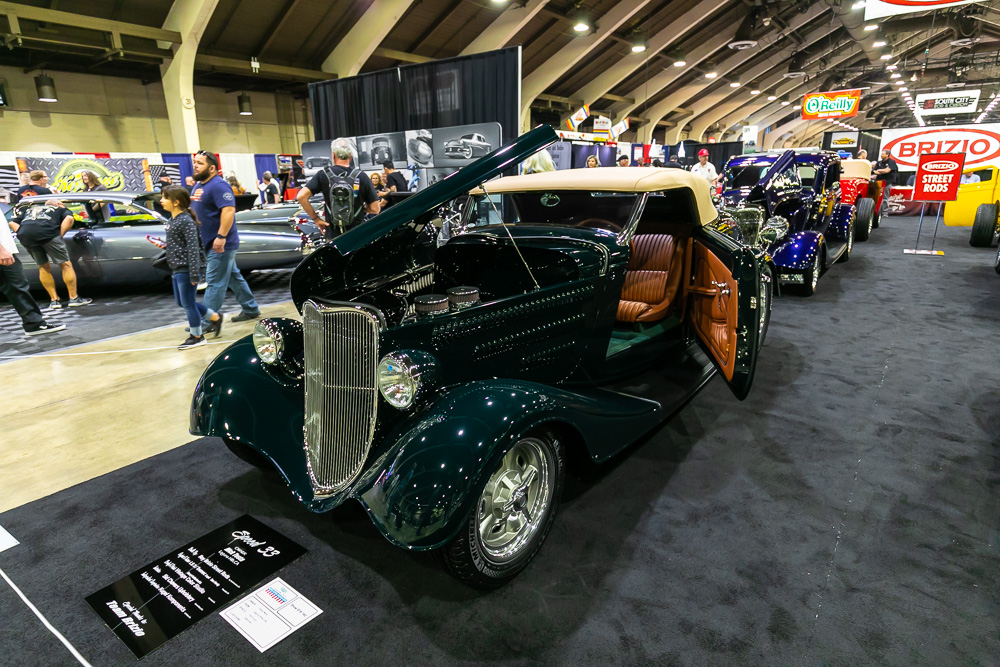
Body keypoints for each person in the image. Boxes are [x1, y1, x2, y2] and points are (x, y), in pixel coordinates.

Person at [190, 149, 260, 323]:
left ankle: (208, 321)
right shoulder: (199, 185)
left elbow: (228, 211)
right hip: (208, 242)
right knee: (233, 276)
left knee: (215, 282)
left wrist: (221, 237)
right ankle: (250, 308)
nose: (195, 166)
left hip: (220, 243)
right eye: (195, 163)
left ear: (212, 168)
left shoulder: (219, 185)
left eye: (200, 163)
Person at [159, 185, 222, 349]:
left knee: (188, 303)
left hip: (186, 268)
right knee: (183, 302)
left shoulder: (186, 221)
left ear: (176, 202)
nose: (161, 201)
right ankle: (214, 317)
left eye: (165, 197)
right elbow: (180, 244)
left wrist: (195, 274)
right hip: (177, 267)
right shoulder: (173, 220)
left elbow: (194, 249)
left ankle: (197, 336)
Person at [7, 200, 92, 309]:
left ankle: (54, 300)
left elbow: (11, 223)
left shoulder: (30, 210)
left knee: (43, 267)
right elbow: (70, 219)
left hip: (27, 237)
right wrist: (59, 235)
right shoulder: (61, 209)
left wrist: (23, 233)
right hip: (49, 235)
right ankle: (74, 298)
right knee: (65, 265)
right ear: (57, 204)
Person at [0, 207, 65, 335]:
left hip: (6, 251)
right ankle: (34, 323)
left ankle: (34, 323)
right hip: (3, 252)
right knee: (17, 286)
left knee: (17, 287)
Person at [297, 138, 379, 238]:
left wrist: (316, 219)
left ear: (333, 155)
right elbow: (375, 209)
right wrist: (362, 210)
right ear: (350, 156)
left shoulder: (323, 175)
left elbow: (301, 196)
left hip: (333, 234)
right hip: (357, 234)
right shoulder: (361, 176)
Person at [873, 149, 898, 216]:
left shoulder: (891, 162)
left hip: (887, 182)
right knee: (877, 197)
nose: (881, 155)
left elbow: (887, 171)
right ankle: (877, 212)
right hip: (878, 182)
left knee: (885, 198)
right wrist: (882, 171)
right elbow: (874, 171)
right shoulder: (879, 162)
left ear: (887, 154)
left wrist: (880, 170)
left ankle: (884, 213)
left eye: (883, 154)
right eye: (881, 154)